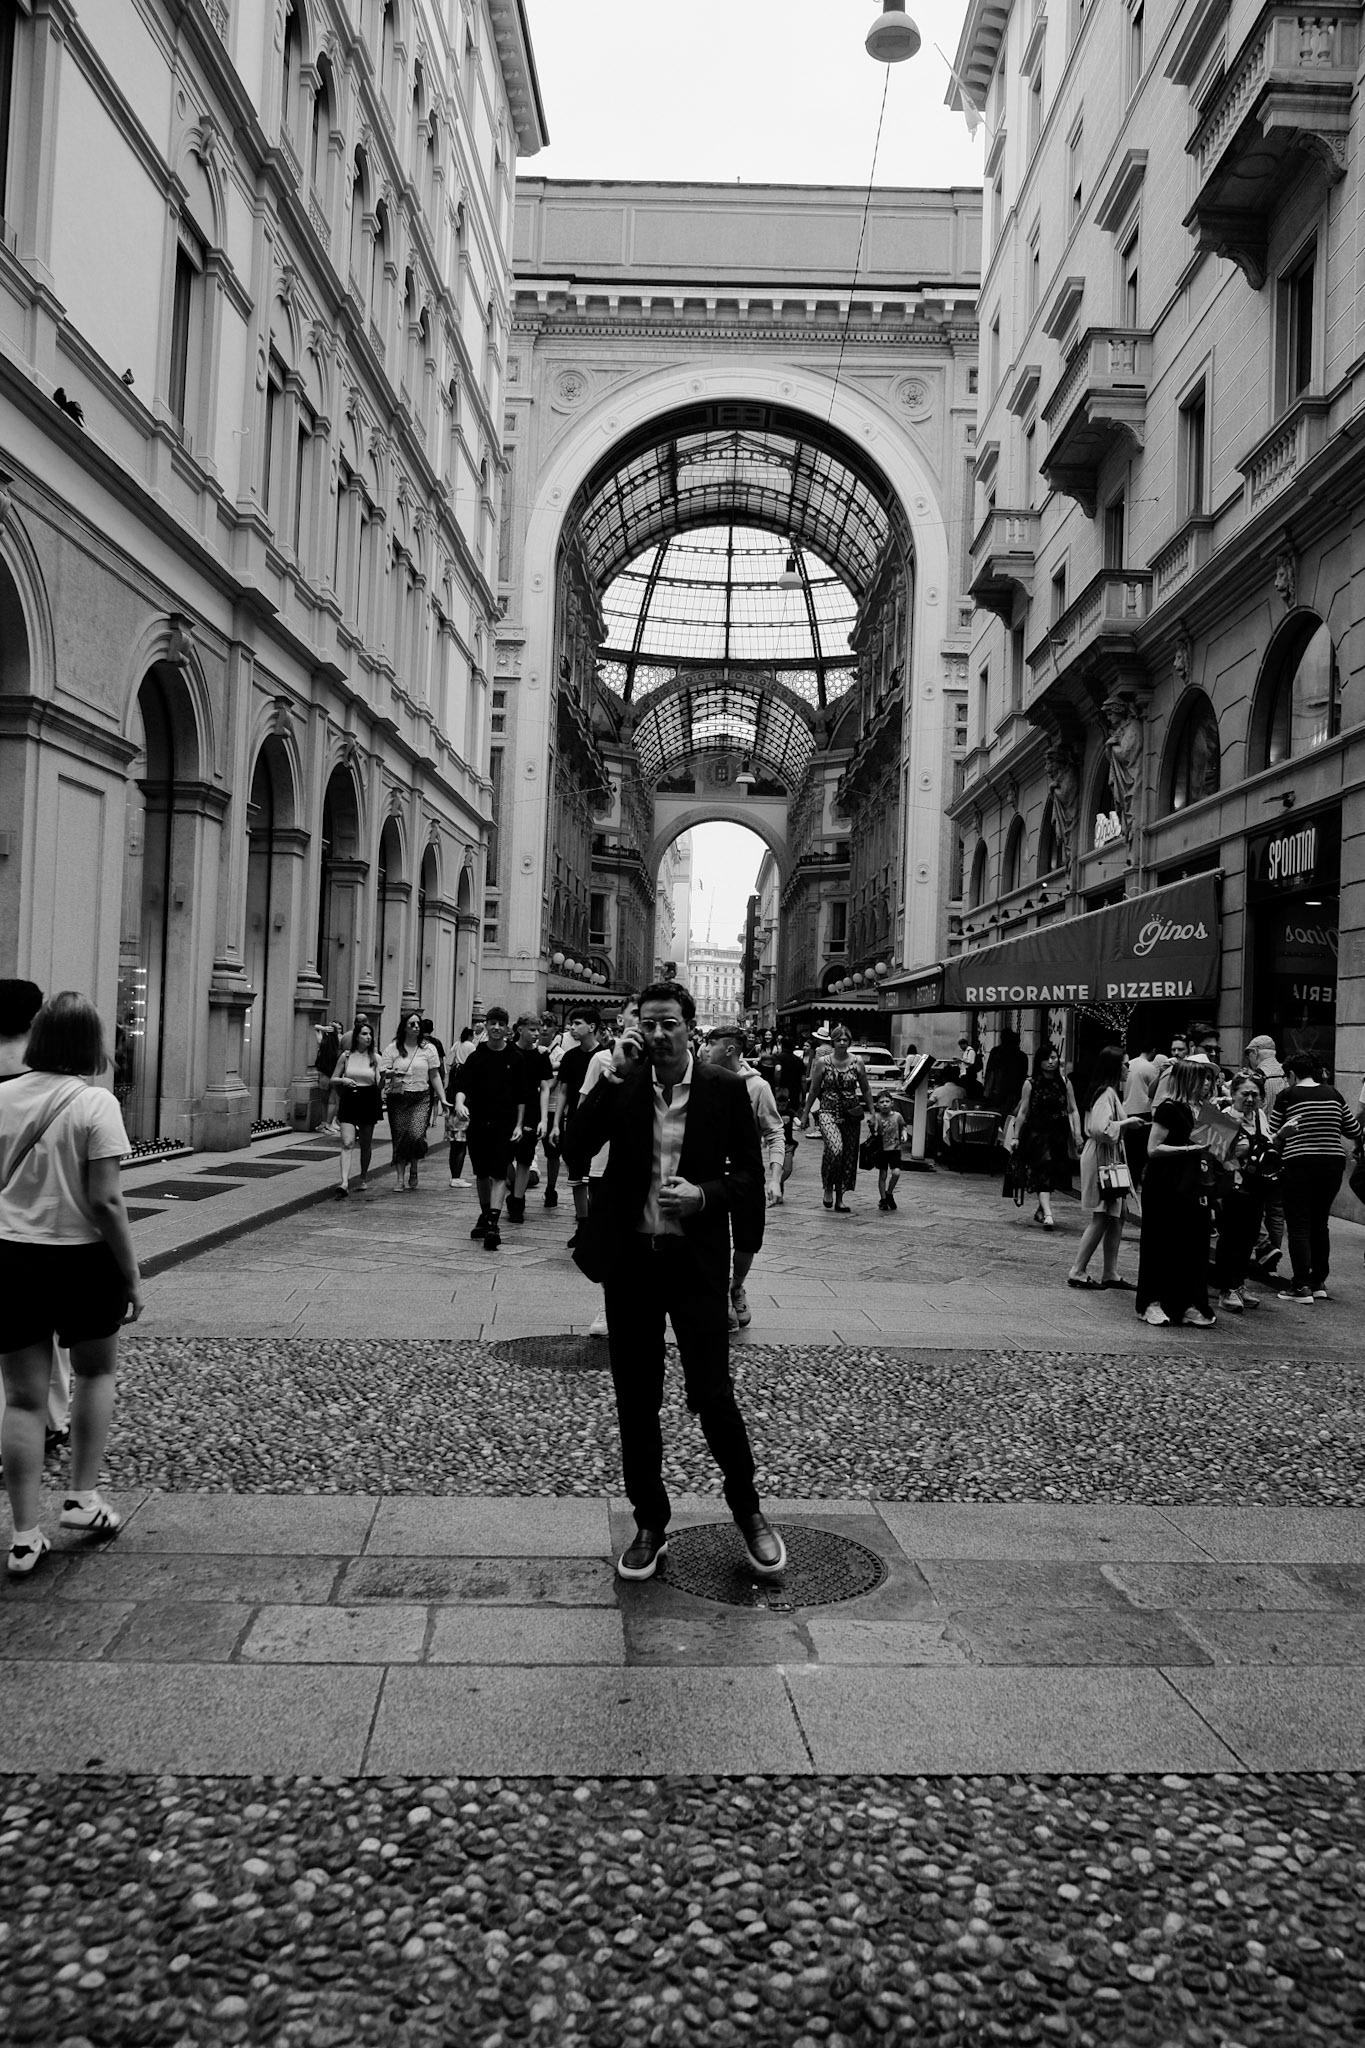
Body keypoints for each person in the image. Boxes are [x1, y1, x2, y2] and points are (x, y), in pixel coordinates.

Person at [561, 981, 780, 1582]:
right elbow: (574, 1149)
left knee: (712, 1394)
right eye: (648, 1024)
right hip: (632, 1265)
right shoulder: (622, 1083)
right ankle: (650, 1523)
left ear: (689, 1028)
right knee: (637, 1399)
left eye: (669, 1024)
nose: (658, 1035)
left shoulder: (725, 1089)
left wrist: (703, 1195)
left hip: (694, 1265)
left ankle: (749, 1512)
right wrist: (610, 1076)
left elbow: (748, 1179)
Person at [0, 992, 144, 1574]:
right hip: (84, 1258)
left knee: (23, 1398)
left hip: (12, 1255)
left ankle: (23, 1535)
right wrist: (131, 1273)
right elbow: (106, 1201)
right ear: (91, 1043)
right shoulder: (96, 1103)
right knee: (95, 1374)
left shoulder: (3, 1097)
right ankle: (82, 1497)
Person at [0, 981, 71, 1453]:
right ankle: (53, 1419)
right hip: (44, 1222)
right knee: (49, 1331)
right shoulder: (49, 1075)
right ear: (34, 1018)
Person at [704, 1025, 783, 1331]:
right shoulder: (701, 1081)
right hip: (710, 1173)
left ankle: (736, 1286)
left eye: (711, 1044)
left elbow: (775, 1133)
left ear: (729, 1050)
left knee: (748, 1239)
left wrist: (775, 1178)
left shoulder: (758, 1087)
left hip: (745, 1172)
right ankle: (720, 1294)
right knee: (712, 1238)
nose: (704, 1049)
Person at [1134, 1057, 1220, 1327]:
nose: (1207, 1083)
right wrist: (1189, 1149)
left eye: (1209, 1079)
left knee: (1192, 1244)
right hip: (1165, 1183)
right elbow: (1153, 1148)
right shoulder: (1169, 1108)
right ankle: (1151, 1302)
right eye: (1202, 1078)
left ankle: (1188, 1304)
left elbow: (1219, 1148)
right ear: (1188, 1080)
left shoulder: (1206, 1109)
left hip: (1195, 1184)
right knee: (1159, 1242)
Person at [1269, 1053, 1361, 1302]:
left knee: (1298, 1223)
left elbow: (1274, 1131)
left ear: (1291, 1074)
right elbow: (1353, 1129)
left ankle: (1300, 1285)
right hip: (1332, 1164)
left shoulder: (1287, 1096)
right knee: (1320, 1222)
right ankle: (1318, 1281)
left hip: (1299, 1163)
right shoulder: (1334, 1094)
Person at [1067, 1046, 1141, 1291]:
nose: (1128, 1068)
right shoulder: (1106, 1092)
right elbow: (1100, 1128)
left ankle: (1110, 1272)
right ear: (1115, 1067)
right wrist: (1128, 1122)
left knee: (1117, 1215)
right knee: (1103, 1214)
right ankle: (1078, 1270)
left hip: (1106, 1157)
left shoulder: (1107, 1092)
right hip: (1102, 1158)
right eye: (1125, 1064)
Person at [453, 1006, 527, 1252]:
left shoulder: (516, 1058)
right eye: (492, 1023)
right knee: (482, 1173)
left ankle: (493, 1224)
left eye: (501, 1024)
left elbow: (522, 1096)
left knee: (499, 1173)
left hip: (505, 1123)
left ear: (507, 1028)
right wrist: (460, 1103)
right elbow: (463, 1086)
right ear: (486, 1025)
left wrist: (519, 1125)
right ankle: (485, 1215)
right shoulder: (476, 1056)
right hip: (479, 1122)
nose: (496, 1027)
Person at [1212, 1071, 1276, 1313]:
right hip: (1230, 1187)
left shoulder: (1260, 1115)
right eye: (1245, 1094)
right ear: (1233, 1093)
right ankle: (1226, 1288)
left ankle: (1239, 1284)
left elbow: (1267, 1144)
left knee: (1249, 1237)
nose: (1250, 1099)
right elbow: (1214, 1155)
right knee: (1230, 1237)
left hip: (1256, 1185)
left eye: (1255, 1095)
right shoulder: (1223, 1116)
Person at [803, 1024, 873, 1213]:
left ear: (849, 1042)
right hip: (828, 1110)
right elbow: (814, 1089)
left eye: (845, 1040)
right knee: (835, 1149)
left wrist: (873, 1113)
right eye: (839, 1040)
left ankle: (840, 1197)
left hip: (850, 1112)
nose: (842, 1043)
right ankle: (828, 1186)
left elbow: (866, 1089)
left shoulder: (857, 1062)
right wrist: (805, 1113)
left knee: (848, 1155)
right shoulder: (823, 1062)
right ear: (833, 1042)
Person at [550, 1008, 603, 1248]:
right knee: (576, 1176)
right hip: (574, 1121)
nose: (572, 1027)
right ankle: (582, 1224)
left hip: (599, 1124)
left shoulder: (604, 1056)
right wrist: (556, 1124)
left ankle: (595, 1224)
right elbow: (563, 1090)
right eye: (571, 1023)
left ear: (592, 1027)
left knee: (595, 1176)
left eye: (577, 1023)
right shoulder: (570, 1057)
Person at [1014, 1045, 1080, 1232]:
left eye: (1054, 1057)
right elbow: (1023, 1111)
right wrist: (1016, 1136)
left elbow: (1073, 1109)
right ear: (1039, 1061)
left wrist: (1077, 1134)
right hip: (1037, 1133)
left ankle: (1041, 1209)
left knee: (1054, 1172)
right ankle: (1049, 1214)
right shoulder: (1030, 1083)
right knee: (1043, 1169)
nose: (1052, 1062)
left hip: (1059, 1133)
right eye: (1047, 1058)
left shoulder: (1064, 1082)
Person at [380, 1011, 446, 1193]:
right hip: (398, 1098)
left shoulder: (428, 1049)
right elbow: (383, 1072)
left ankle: (414, 1167)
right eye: (412, 1024)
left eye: (418, 1024)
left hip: (420, 1097)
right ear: (404, 1027)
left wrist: (442, 1098)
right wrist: (392, 1072)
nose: (416, 1027)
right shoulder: (393, 1048)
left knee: (416, 1135)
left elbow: (434, 1075)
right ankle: (400, 1178)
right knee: (400, 1137)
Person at [505, 1013, 555, 1225]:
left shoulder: (541, 1056)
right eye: (533, 1029)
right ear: (520, 1030)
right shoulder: (508, 1051)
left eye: (538, 1029)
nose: (537, 1033)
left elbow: (545, 1088)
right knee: (504, 1155)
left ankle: (517, 1201)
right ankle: (513, 1187)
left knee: (525, 1158)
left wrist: (544, 1119)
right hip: (508, 1110)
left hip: (531, 1111)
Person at [333, 1018, 382, 1196]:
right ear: (356, 1037)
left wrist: (386, 1077)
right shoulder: (346, 1056)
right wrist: (343, 1080)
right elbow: (333, 1078)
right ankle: (344, 1182)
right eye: (364, 1034)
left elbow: (379, 1084)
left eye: (370, 1034)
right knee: (347, 1142)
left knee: (365, 1143)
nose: (368, 1037)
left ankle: (362, 1177)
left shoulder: (376, 1058)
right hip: (350, 1099)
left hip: (368, 1099)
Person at [1120, 1040, 1166, 1197]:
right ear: (1153, 1051)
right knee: (1140, 1153)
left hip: (1126, 1110)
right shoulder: (1150, 1068)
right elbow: (1155, 1091)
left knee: (1128, 1152)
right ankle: (1135, 1182)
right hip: (1143, 1112)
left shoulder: (1129, 1065)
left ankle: (1128, 1182)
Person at [872, 1092, 908, 1211]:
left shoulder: (897, 1116)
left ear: (892, 1103)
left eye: (887, 1101)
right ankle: (883, 1199)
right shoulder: (877, 1117)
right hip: (882, 1149)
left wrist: (904, 1134)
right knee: (882, 1174)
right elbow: (874, 1130)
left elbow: (903, 1126)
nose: (885, 1104)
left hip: (895, 1149)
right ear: (877, 1105)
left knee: (896, 1173)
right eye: (881, 1102)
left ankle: (889, 1192)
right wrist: (874, 1129)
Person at [981, 1029, 1028, 1114]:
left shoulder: (996, 1052)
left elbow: (990, 1072)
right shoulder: (1021, 1056)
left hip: (999, 1091)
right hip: (1012, 1092)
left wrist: (987, 1091)